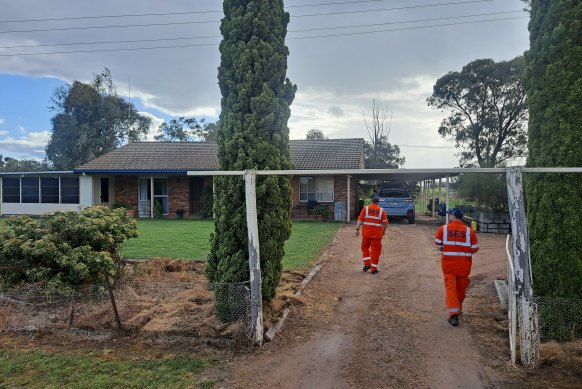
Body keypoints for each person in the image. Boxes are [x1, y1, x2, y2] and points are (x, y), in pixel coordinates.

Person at [434, 208, 479, 326]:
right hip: (464, 266)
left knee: (451, 289)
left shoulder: (443, 229)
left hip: (449, 266)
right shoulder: (469, 231)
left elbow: (438, 245)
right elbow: (474, 249)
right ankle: (457, 309)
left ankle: (454, 315)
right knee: (461, 289)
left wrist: (448, 249)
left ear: (453, 216)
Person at [356, 196, 388, 274]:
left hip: (366, 233)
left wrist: (357, 229)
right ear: (378, 202)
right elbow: (385, 223)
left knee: (365, 247)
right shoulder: (381, 211)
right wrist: (383, 231)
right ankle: (373, 268)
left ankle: (367, 264)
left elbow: (360, 219)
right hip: (377, 234)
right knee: (376, 250)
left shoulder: (365, 209)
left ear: (371, 201)